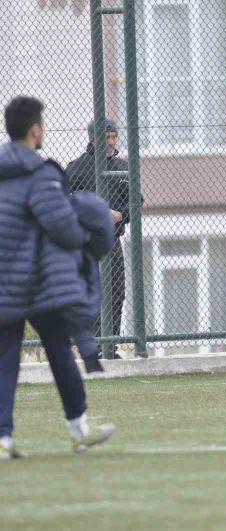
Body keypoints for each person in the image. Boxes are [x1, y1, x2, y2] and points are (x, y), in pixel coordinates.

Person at [0, 97, 115, 459]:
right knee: (60, 352)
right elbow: (61, 225)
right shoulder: (40, 173)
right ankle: (79, 431)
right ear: (35, 130)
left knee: (4, 360)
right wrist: (85, 238)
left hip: (3, 282)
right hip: (39, 282)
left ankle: (2, 439)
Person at [66, 117, 131, 359]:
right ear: (93, 139)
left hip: (112, 241)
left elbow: (136, 201)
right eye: (107, 138)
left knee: (116, 292)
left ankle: (110, 347)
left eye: (114, 137)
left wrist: (120, 215)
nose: (112, 142)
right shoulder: (76, 168)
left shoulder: (122, 167)